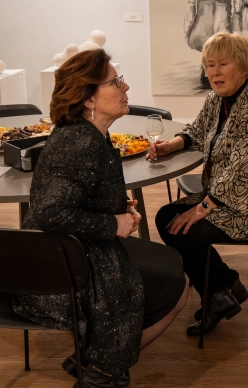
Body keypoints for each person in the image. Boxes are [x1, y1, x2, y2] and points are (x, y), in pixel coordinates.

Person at [13, 49, 189, 388]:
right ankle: (102, 371)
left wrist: (116, 207)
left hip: (74, 250)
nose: (125, 87)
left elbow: (76, 197)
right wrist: (113, 223)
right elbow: (50, 212)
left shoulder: (91, 134)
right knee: (177, 287)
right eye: (115, 81)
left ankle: (95, 361)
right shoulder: (80, 142)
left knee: (172, 268)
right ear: (88, 98)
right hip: (59, 266)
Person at [152, 31, 248, 337]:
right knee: (167, 217)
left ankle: (218, 295)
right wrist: (173, 144)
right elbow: (198, 130)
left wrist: (203, 207)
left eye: (223, 64)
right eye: (210, 65)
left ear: (243, 67)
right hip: (226, 197)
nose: (214, 72)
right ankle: (223, 287)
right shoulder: (217, 99)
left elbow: (246, 170)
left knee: (184, 229)